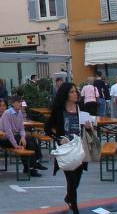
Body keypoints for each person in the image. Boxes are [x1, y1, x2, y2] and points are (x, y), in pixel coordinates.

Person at [46, 82, 90, 214]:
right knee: (71, 179)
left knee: (77, 179)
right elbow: (47, 128)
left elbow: (88, 128)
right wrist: (58, 138)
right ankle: (75, 208)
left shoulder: (81, 108)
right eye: (72, 92)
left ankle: (69, 197)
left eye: (76, 91)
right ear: (65, 94)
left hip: (80, 148)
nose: (75, 94)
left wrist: (89, 127)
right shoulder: (59, 110)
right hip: (66, 149)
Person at [0, 95, 42, 177]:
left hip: (17, 136)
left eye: (20, 102)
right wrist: (16, 145)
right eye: (18, 102)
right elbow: (8, 132)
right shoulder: (7, 113)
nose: (20, 104)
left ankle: (33, 165)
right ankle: (32, 167)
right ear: (13, 103)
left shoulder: (19, 114)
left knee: (32, 139)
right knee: (29, 142)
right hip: (6, 139)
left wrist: (23, 137)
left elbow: (22, 129)